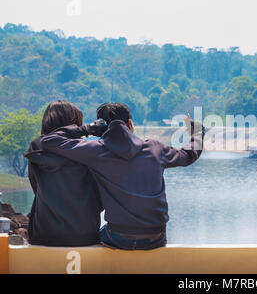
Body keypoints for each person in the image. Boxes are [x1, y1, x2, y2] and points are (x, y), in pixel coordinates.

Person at [40, 102, 204, 250]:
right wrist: (197, 132)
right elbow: (188, 155)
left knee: (90, 237)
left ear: (103, 127)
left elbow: (49, 141)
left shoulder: (95, 151)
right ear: (130, 124)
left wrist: (88, 128)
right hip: (156, 237)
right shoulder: (155, 148)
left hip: (118, 237)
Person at [24, 101, 103, 246]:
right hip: (85, 234)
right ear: (73, 124)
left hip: (44, 233)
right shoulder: (85, 150)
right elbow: (99, 194)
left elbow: (36, 187)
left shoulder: (36, 147)